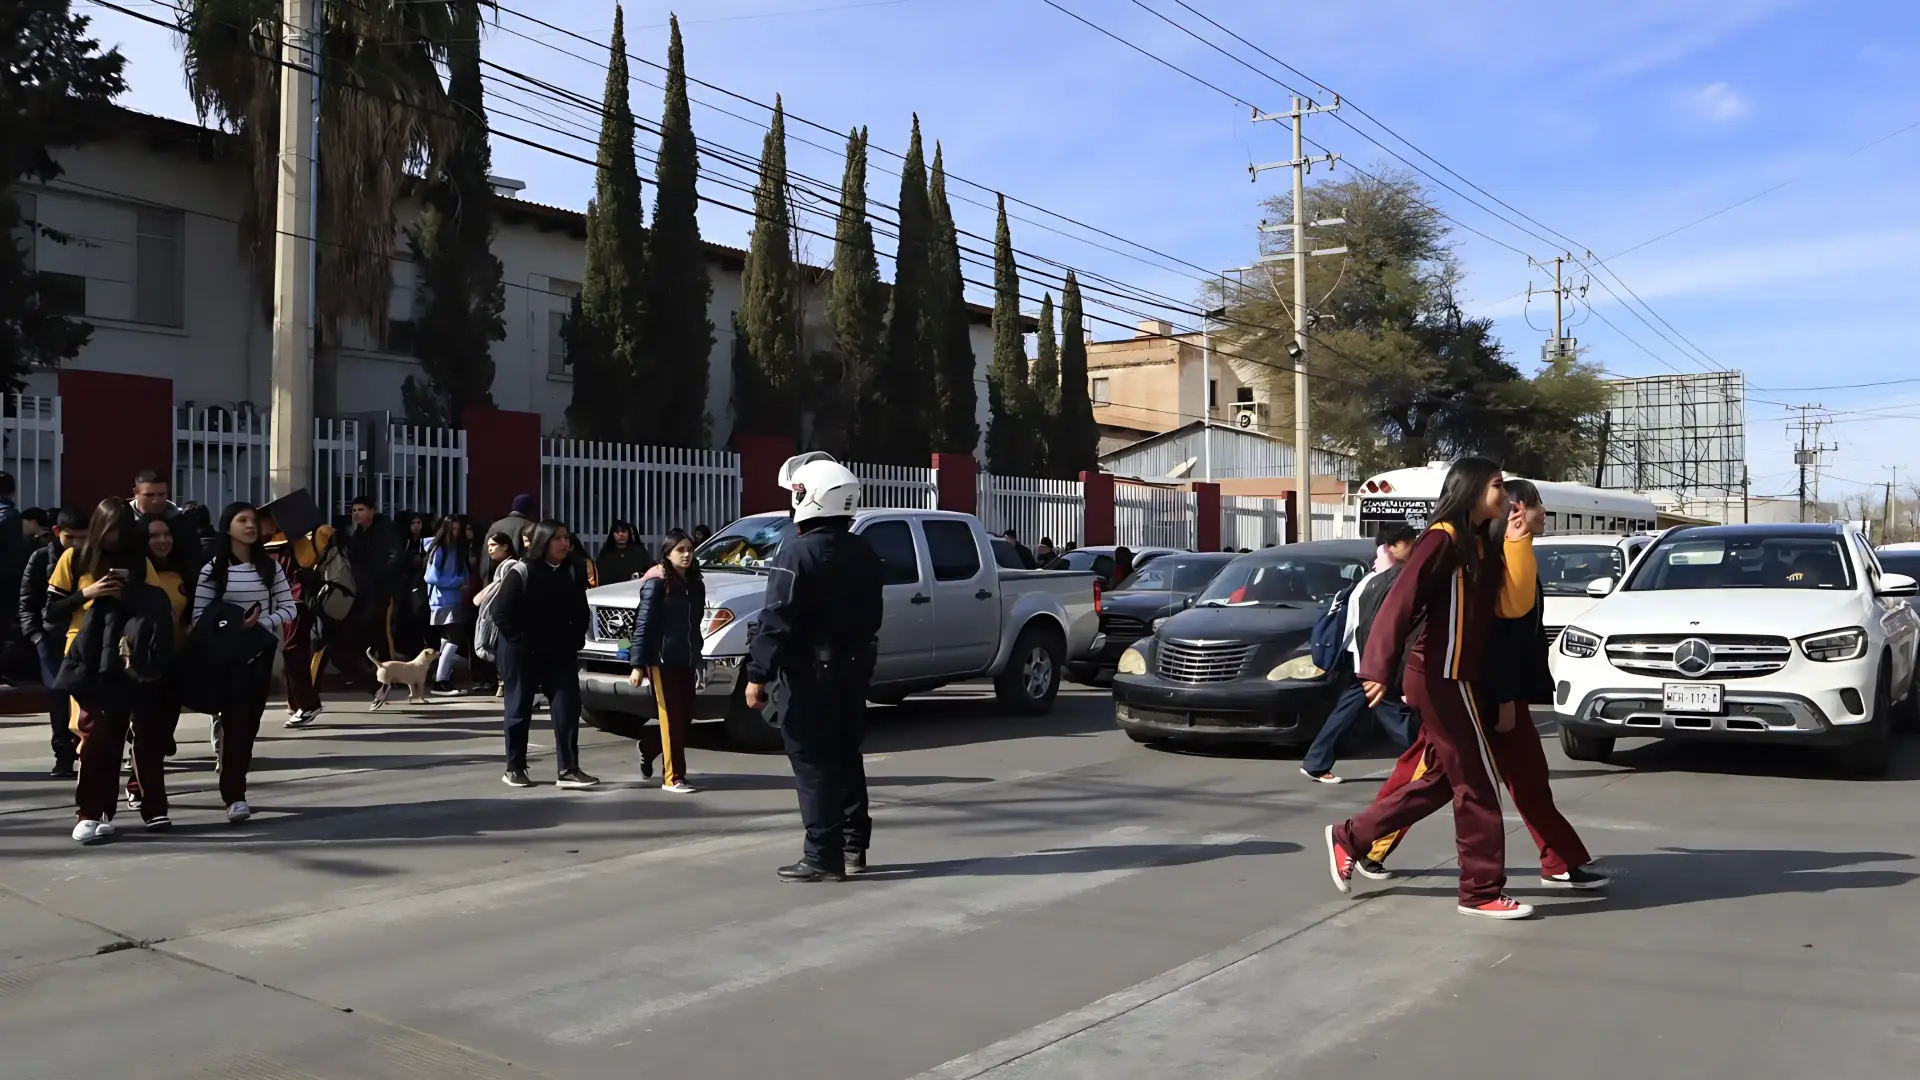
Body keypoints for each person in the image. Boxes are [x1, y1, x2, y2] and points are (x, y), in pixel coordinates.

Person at [1362, 480, 1610, 889]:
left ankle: (1560, 859)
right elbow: (1492, 642)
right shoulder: (1479, 565)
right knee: (1426, 777)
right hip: (1474, 694)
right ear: (1514, 511)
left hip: (1497, 694)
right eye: (1536, 506)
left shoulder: (1513, 558)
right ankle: (1362, 842)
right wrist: (1504, 700)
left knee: (1528, 779)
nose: (1543, 513)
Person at [1323, 456, 1537, 920]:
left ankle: (1352, 836)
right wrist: (1377, 668)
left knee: (1443, 780)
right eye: (1498, 486)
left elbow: (1513, 606)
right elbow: (1400, 603)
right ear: (1473, 488)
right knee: (1477, 782)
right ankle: (1480, 890)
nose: (1506, 495)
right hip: (1441, 675)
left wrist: (1519, 541)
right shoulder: (1442, 539)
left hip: (1464, 678)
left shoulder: (1481, 543)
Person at [744, 453, 884, 882]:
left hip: (808, 675)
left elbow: (777, 617)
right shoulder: (863, 550)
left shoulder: (798, 551)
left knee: (812, 762)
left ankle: (822, 854)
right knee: (845, 755)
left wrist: (757, 675)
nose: (794, 500)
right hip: (853, 669)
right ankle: (853, 844)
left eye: (798, 493)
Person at [45, 499, 174, 841]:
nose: (116, 537)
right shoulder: (74, 558)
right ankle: (90, 812)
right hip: (85, 656)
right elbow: (49, 613)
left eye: (123, 529)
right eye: (111, 529)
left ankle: (146, 806)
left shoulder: (139, 561)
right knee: (96, 733)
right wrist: (88, 593)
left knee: (142, 734)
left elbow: (155, 606)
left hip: (129, 655)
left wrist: (130, 592)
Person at [192, 502, 298, 824]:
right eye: (242, 521)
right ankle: (235, 795)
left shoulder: (272, 567)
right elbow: (199, 617)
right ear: (228, 527)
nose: (251, 526)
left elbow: (290, 608)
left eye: (253, 521)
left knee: (249, 725)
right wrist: (233, 624)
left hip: (259, 654)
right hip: (226, 657)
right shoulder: (213, 568)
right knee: (237, 723)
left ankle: (231, 772)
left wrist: (262, 623)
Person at [1299, 522, 1420, 784]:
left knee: (1347, 710)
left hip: (1361, 659)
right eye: (1410, 544)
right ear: (1392, 547)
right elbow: (1370, 626)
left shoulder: (1372, 577)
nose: (1414, 549)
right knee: (1395, 714)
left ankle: (1316, 762)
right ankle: (1427, 762)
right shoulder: (1384, 580)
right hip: (1371, 661)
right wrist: (1379, 665)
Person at [492, 519, 596, 789]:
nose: (564, 543)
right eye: (558, 538)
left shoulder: (572, 569)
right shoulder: (523, 570)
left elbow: (580, 608)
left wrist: (575, 638)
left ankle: (569, 769)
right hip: (520, 651)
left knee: (567, 705)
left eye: (566, 537)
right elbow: (500, 613)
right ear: (543, 541)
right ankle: (514, 767)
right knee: (519, 706)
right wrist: (524, 642)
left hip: (558, 650)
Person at [125, 512, 193, 815]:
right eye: (154, 536)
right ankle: (148, 800)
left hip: (176, 663)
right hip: (143, 667)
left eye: (166, 534)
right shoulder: (133, 573)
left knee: (162, 736)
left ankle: (139, 782)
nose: (163, 540)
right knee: (146, 734)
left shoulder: (183, 573)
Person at [629, 529, 705, 794]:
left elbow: (694, 626)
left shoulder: (695, 583)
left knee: (686, 716)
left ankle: (649, 746)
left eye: (689, 550)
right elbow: (643, 624)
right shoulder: (657, 583)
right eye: (680, 550)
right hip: (661, 660)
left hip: (686, 657)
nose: (686, 555)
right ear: (667, 554)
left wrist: (699, 658)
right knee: (671, 716)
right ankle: (673, 777)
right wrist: (638, 664)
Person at [21, 507, 86, 778]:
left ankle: (88, 751)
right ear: (57, 533)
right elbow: (27, 603)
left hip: (84, 636)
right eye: (72, 538)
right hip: (51, 638)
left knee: (85, 698)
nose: (78, 544)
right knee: (58, 699)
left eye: (84, 538)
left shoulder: (93, 558)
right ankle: (63, 757)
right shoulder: (40, 558)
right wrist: (37, 637)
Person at [422, 515, 471, 693]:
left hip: (451, 599)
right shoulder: (439, 549)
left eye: (458, 530)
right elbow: (431, 577)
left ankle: (441, 677)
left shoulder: (455, 549)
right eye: (453, 530)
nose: (456, 533)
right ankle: (440, 679)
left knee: (447, 639)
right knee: (454, 639)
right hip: (443, 599)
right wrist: (457, 581)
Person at [597, 520, 652, 585]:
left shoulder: (639, 552)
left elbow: (647, 570)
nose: (621, 534)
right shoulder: (606, 554)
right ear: (612, 534)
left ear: (628, 533)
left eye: (623, 531)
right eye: (617, 532)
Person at [487, 494, 538, 559]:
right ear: (531, 509)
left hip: (496, 568)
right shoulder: (531, 527)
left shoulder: (495, 526)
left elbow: (485, 558)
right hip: (522, 567)